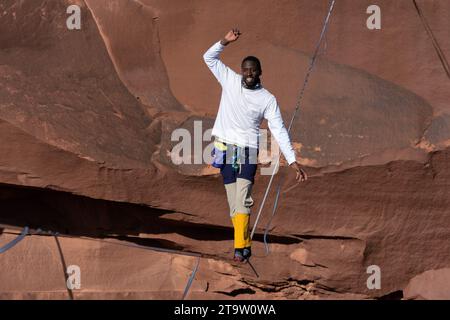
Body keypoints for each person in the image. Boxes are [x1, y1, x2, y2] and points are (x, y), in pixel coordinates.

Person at [203, 28, 307, 262]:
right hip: (225, 148)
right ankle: (244, 244)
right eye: (245, 69)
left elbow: (278, 129)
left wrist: (292, 160)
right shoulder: (230, 80)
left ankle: (240, 248)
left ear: (260, 72)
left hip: (249, 151)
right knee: (233, 204)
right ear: (241, 71)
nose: (248, 73)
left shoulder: (267, 99)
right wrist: (224, 41)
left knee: (243, 198)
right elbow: (208, 58)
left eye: (252, 70)